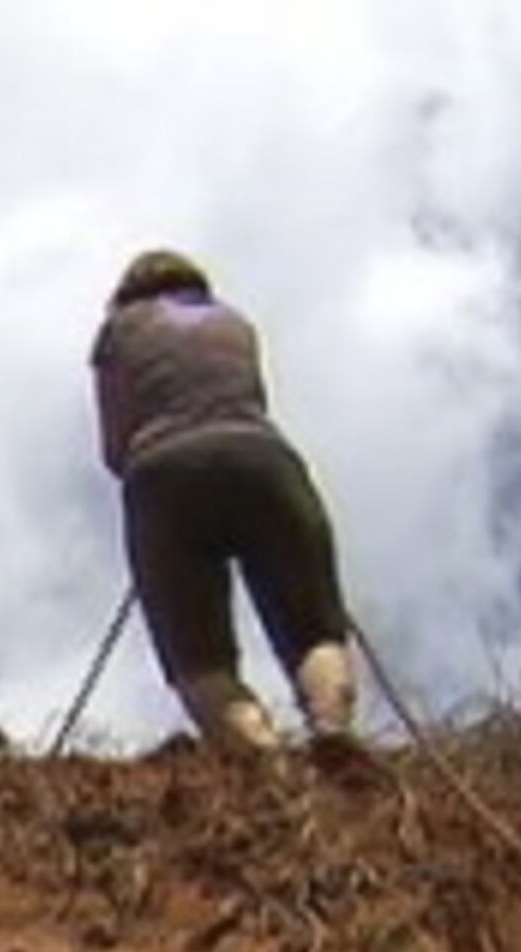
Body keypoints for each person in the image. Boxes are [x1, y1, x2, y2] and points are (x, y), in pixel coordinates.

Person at [89, 250, 362, 771]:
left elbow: (112, 444)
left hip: (162, 474)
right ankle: (331, 728)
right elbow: (253, 396)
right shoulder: (234, 323)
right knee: (313, 626)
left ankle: (265, 761)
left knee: (197, 658)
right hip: (263, 459)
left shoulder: (117, 333)